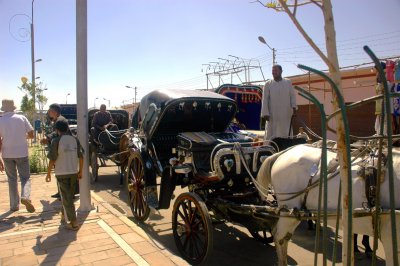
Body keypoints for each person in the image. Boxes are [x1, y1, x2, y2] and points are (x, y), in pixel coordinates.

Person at [46, 120, 83, 230]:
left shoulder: (56, 141)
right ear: (67, 128)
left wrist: (48, 173)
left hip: (61, 173)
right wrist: (80, 171)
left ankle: (74, 222)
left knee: (67, 198)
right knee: (68, 196)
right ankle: (63, 215)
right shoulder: (75, 140)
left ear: (56, 130)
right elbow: (81, 157)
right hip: (73, 172)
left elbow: (52, 159)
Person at [0, 99, 35, 213]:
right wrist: (22, 137)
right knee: (25, 178)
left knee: (12, 179)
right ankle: (25, 196)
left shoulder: (1, 121)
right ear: (13, 108)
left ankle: (14, 206)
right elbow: (31, 134)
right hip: (22, 153)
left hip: (7, 154)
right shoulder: (22, 118)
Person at [41, 103, 74, 199]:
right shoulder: (57, 120)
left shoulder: (60, 120)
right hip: (62, 147)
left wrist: (47, 138)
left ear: (54, 112)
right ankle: (60, 191)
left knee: (63, 171)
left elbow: (56, 133)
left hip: (63, 149)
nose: (48, 112)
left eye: (49, 110)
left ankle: (66, 193)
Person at [261, 64, 297, 140]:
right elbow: (265, 99)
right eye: (272, 71)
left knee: (286, 133)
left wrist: (294, 107)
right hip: (272, 115)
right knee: (271, 136)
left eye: (275, 70)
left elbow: (292, 96)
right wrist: (265, 113)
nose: (273, 72)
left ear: (281, 71)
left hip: (285, 114)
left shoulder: (288, 82)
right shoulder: (268, 84)